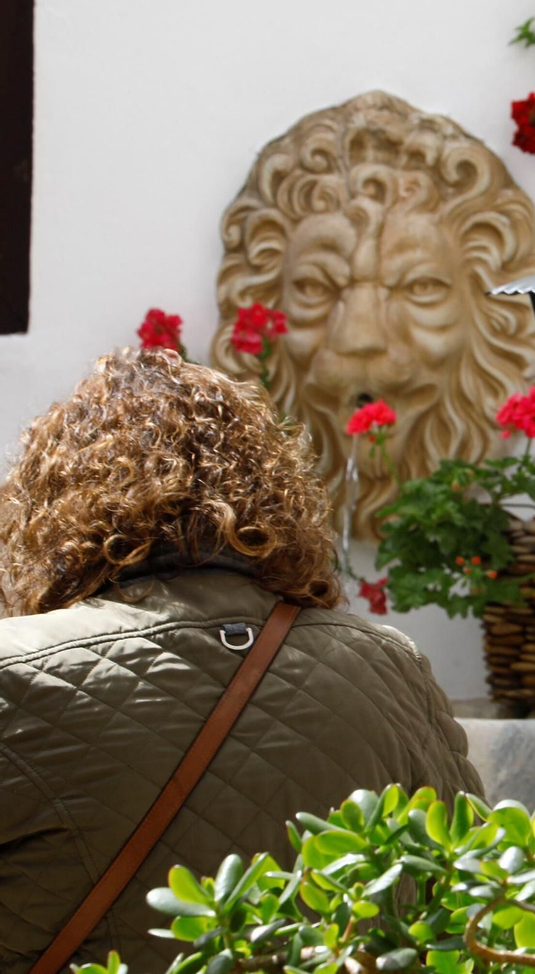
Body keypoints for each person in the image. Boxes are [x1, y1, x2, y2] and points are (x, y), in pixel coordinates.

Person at [0, 349, 481, 972]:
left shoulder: (15, 675)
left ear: (55, 512)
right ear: (275, 499)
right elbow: (476, 899)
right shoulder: (388, 666)